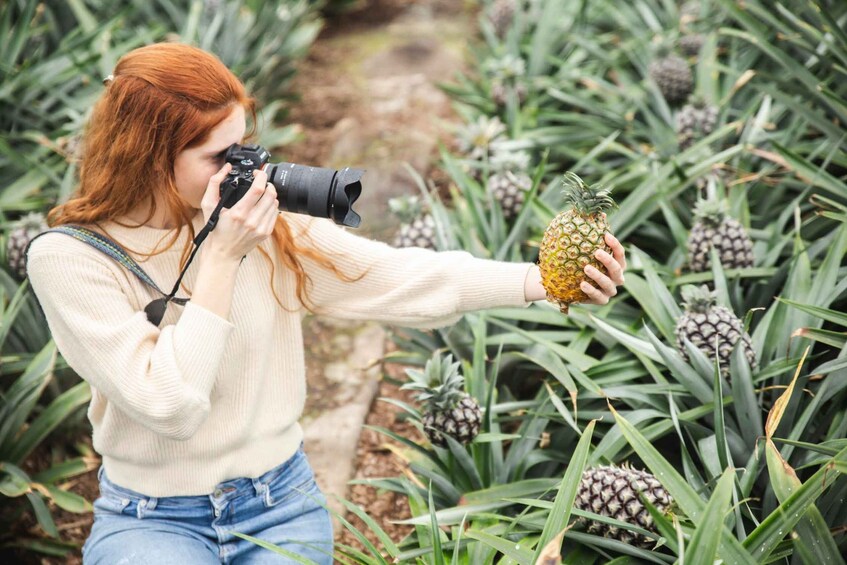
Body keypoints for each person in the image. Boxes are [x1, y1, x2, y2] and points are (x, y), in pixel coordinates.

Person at [25, 42, 626, 564]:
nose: (247, 173)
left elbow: (393, 276)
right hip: (151, 517)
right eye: (220, 158)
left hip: (277, 503)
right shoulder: (73, 260)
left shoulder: (265, 228)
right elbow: (172, 405)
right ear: (150, 156)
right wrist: (222, 259)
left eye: (246, 148)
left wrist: (543, 279)